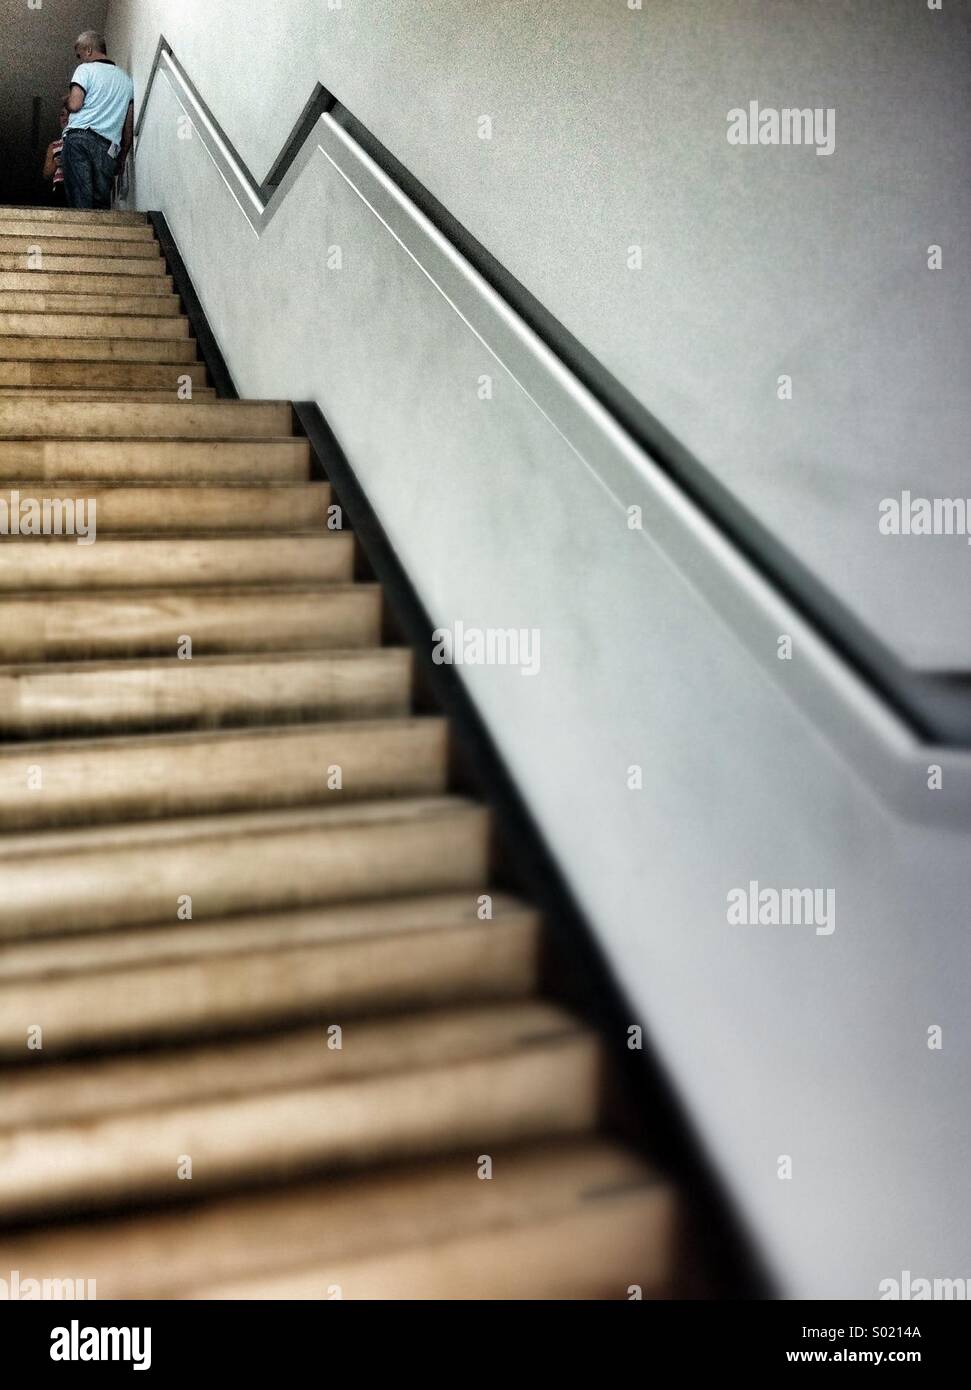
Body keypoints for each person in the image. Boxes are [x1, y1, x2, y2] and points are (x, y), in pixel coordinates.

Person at [61, 30, 134, 211]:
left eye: (80, 55)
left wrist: (66, 100)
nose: (80, 60)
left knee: (80, 197)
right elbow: (128, 125)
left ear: (88, 50)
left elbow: (75, 104)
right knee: (100, 204)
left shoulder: (85, 69)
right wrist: (122, 157)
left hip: (80, 138)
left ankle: (81, 236)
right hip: (108, 150)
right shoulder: (126, 81)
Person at [42, 100, 70, 204]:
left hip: (77, 187)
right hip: (60, 189)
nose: (65, 118)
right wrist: (56, 163)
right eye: (62, 115)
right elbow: (46, 174)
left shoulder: (82, 143)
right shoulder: (53, 146)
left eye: (69, 115)